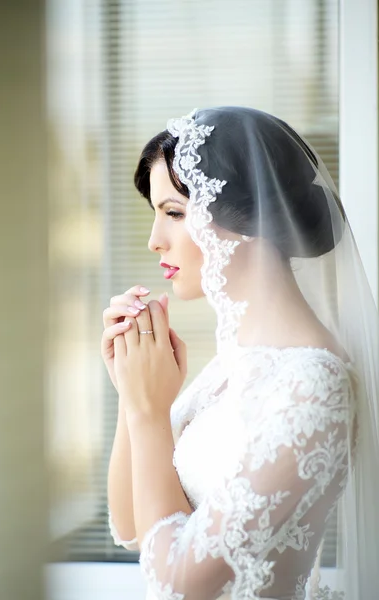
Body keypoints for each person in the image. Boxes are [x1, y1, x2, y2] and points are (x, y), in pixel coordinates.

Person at [102, 107, 379, 599]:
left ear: (247, 217)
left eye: (173, 213)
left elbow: (179, 586)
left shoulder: (313, 384)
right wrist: (135, 390)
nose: (154, 240)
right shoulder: (230, 367)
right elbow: (131, 528)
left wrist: (149, 415)